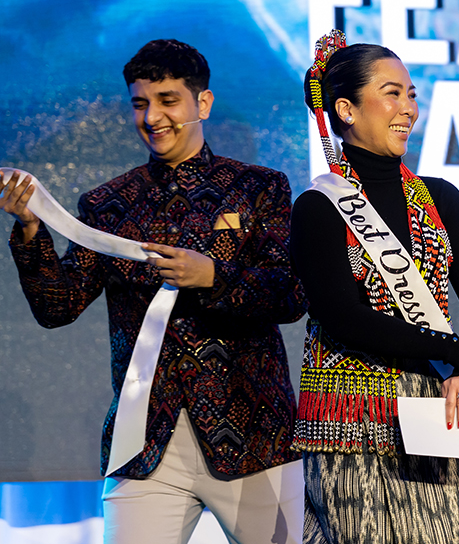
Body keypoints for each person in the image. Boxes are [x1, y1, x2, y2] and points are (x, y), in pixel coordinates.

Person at [1, 39, 306, 543]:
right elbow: (59, 306)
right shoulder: (108, 203)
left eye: (168, 101)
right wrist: (31, 230)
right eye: (141, 103)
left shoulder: (259, 188)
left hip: (254, 437)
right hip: (145, 445)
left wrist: (214, 276)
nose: (153, 117)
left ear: (201, 104)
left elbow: (290, 295)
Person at [290, 31, 459, 543]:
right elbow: (345, 318)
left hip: (440, 411)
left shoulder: (440, 198)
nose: (408, 107)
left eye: (411, 94)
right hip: (353, 417)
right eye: (392, 92)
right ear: (345, 108)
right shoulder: (319, 207)